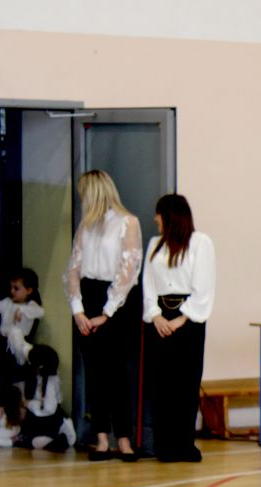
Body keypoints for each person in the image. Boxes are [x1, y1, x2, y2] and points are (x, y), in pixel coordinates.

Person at [63, 169, 142, 462]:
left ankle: (124, 439)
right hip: (89, 297)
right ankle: (101, 438)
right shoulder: (85, 226)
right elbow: (73, 268)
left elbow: (128, 270)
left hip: (117, 302)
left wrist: (107, 313)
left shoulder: (127, 222)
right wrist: (78, 310)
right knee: (94, 372)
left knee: (118, 372)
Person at [142, 194, 215, 464]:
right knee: (160, 383)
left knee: (186, 383)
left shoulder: (200, 243)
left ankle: (184, 444)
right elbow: (148, 284)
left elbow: (203, 287)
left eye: (159, 214)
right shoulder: (155, 245)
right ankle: (165, 445)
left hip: (188, 321)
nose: (155, 219)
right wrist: (155, 316)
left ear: (170, 216)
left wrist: (181, 319)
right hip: (160, 319)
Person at [15, 344, 75, 452]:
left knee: (35, 441)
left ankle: (56, 439)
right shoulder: (34, 376)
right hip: (37, 417)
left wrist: (28, 403)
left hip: (48, 419)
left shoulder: (51, 381)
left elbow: (49, 409)